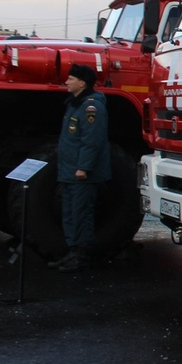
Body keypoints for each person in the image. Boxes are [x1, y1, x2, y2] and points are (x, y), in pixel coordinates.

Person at [54, 63, 111, 272]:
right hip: (69, 171)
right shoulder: (75, 104)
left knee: (81, 214)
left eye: (71, 78)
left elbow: (92, 140)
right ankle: (71, 252)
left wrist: (84, 167)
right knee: (69, 214)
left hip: (81, 174)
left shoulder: (91, 107)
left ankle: (82, 255)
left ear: (82, 83)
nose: (67, 81)